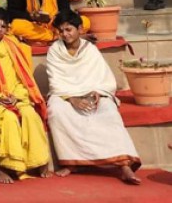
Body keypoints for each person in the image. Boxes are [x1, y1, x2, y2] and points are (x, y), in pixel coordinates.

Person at [46, 10, 141, 184]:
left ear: (80, 29)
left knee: (109, 111)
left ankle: (123, 165)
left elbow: (104, 78)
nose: (65, 34)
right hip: (65, 95)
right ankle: (72, 162)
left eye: (69, 29)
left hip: (92, 93)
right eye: (61, 31)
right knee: (56, 110)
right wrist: (71, 99)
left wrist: (99, 92)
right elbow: (55, 81)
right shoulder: (54, 50)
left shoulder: (90, 50)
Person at [0, 7, 50, 183]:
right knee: (9, 118)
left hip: (14, 96)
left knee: (30, 114)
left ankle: (38, 160)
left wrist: (16, 96)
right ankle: (3, 167)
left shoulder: (13, 45)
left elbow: (22, 77)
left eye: (3, 26)